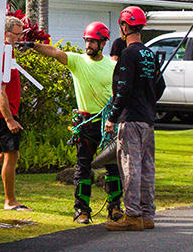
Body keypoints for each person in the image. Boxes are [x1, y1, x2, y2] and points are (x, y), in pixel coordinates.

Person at [28, 22, 123, 224]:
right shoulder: (77, 61)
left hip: (108, 123)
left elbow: (119, 94)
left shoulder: (113, 66)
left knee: (113, 167)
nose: (88, 45)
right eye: (87, 40)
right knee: (83, 167)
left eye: (93, 41)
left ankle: (115, 208)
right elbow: (54, 52)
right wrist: (33, 45)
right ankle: (81, 210)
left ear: (103, 43)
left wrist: (114, 118)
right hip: (86, 122)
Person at [103, 6, 160, 232]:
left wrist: (112, 117)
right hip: (148, 119)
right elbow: (159, 85)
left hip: (131, 119)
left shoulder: (128, 54)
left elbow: (123, 89)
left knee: (130, 167)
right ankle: (147, 214)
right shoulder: (149, 53)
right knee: (147, 167)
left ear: (124, 27)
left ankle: (133, 215)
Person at [0, 16, 27, 211]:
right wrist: (9, 119)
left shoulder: (8, 54)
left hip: (10, 112)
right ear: (5, 33)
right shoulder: (3, 53)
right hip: (5, 114)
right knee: (12, 155)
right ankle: (10, 201)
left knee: (3, 155)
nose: (19, 38)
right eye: (16, 34)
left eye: (21, 34)